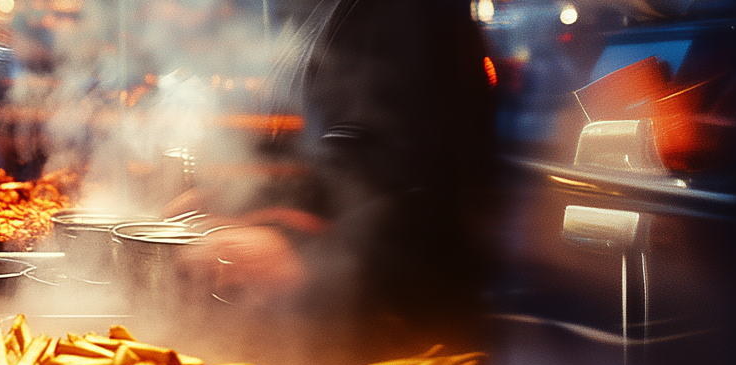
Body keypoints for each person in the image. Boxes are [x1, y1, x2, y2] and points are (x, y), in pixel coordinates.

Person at [170, 0, 494, 331]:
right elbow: (343, 153)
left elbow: (422, 183)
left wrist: (306, 255)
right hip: (346, 322)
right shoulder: (329, 10)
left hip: (412, 331)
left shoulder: (406, 11)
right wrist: (245, 198)